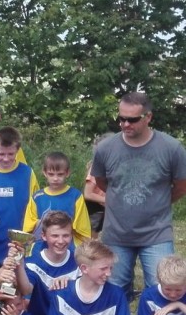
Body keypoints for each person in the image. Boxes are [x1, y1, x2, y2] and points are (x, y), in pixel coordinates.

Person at [90, 92, 186, 298]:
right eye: (121, 118)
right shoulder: (105, 149)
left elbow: (181, 186)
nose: (125, 124)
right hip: (116, 234)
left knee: (163, 289)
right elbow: (101, 182)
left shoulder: (171, 148)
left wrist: (158, 202)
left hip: (157, 234)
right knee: (114, 292)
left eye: (132, 119)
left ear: (148, 117)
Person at [15, 211, 80, 315]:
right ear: (43, 236)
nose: (61, 241)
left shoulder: (79, 261)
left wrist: (72, 281)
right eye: (55, 236)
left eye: (66, 235)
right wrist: (19, 263)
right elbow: (26, 289)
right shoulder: (34, 262)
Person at [0, 127, 39, 271]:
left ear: (18, 150)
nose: (6, 158)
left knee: (15, 281)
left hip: (17, 243)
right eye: (1, 154)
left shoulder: (27, 173)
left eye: (11, 154)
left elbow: (35, 207)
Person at [23, 151, 91, 245]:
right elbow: (28, 228)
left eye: (60, 174)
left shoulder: (75, 196)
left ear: (67, 173)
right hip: (41, 247)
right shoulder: (37, 197)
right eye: (51, 174)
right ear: (44, 173)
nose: (55, 178)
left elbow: (83, 230)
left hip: (67, 247)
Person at [83, 136, 108, 240]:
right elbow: (87, 194)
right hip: (94, 207)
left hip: (104, 206)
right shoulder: (96, 167)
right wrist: (108, 200)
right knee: (91, 239)